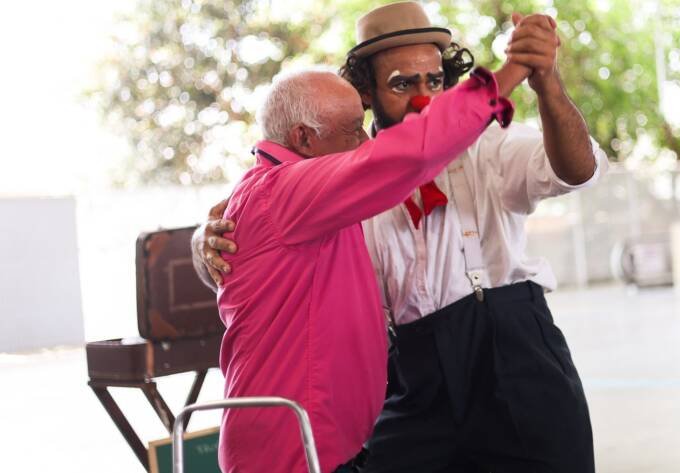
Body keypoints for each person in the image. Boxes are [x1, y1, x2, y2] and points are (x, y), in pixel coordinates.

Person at [196, 3, 608, 472]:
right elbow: (265, 232)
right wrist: (202, 240)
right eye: (402, 84)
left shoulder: (487, 144)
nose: (424, 98)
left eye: (435, 81)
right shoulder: (341, 175)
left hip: (510, 350)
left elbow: (577, 171)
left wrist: (547, 85)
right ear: (366, 91)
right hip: (411, 370)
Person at [213, 56, 529, 472]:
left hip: (318, 441)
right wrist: (507, 75)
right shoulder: (283, 193)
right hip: (292, 449)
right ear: (304, 138)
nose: (365, 141)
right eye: (351, 131)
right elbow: (407, 156)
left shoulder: (281, 194)